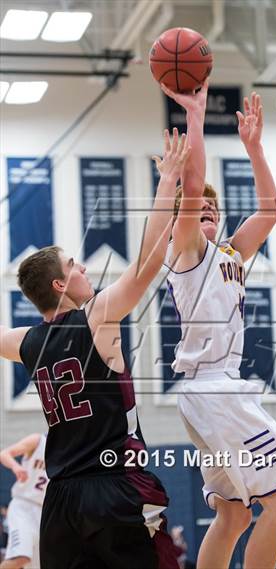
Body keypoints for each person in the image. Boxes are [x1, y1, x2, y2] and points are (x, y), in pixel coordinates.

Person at [0, 129, 190, 569]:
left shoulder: (23, 343)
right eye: (73, 265)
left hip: (61, 499)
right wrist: (167, 181)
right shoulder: (96, 317)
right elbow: (146, 262)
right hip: (115, 485)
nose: (84, 267)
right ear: (59, 285)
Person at [160, 80, 276, 569]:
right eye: (195, 208)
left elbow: (269, 212)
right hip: (214, 393)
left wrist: (255, 149)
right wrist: (198, 116)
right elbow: (193, 181)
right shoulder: (186, 253)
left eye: (212, 209)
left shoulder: (229, 254)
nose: (204, 211)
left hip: (211, 393)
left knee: (233, 517)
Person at [0, 433, 47, 569]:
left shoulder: (69, 452)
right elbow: (4, 454)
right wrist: (16, 467)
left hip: (45, 513)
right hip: (23, 506)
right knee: (20, 557)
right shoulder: (38, 441)